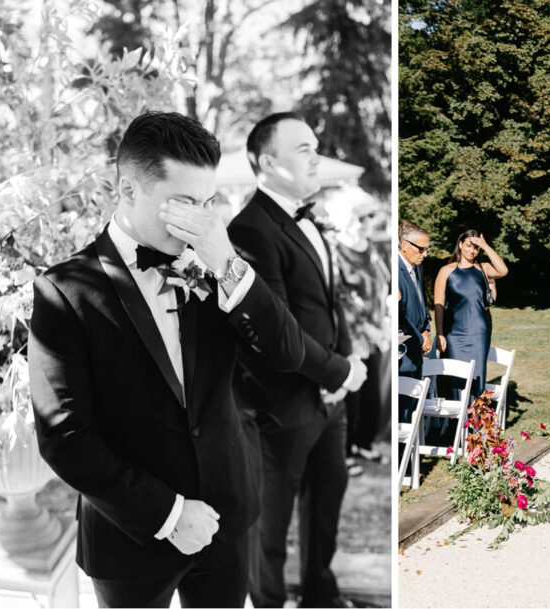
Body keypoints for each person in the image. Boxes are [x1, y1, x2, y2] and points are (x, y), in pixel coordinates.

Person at [28, 111, 306, 607]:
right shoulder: (65, 290)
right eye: (182, 203)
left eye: (208, 203)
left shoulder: (217, 264)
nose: (197, 219)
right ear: (128, 190)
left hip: (227, 518)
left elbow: (287, 354)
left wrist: (226, 265)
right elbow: (65, 437)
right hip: (130, 533)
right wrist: (170, 514)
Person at [228, 112, 367, 608]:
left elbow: (328, 304)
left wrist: (346, 366)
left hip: (329, 399)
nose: (316, 156)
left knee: (324, 506)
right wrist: (339, 371)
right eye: (303, 149)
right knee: (269, 525)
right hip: (278, 406)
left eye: (315, 146)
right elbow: (275, 327)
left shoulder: (307, 219)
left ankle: (320, 597)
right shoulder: (248, 230)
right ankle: (265, 602)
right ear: (268, 162)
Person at [433, 229, 508, 397]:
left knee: (477, 376)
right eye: (468, 246)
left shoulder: (483, 268)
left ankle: (474, 422)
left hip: (479, 333)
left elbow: (503, 271)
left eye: (476, 248)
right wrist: (440, 333)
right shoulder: (446, 271)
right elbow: (438, 305)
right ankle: (453, 421)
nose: (472, 251)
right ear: (460, 245)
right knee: (453, 377)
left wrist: (486, 246)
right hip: (453, 334)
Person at [397, 220, 431, 421]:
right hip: (404, 349)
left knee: (410, 407)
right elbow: (401, 314)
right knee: (401, 409)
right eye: (421, 249)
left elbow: (420, 301)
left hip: (417, 346)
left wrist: (426, 328)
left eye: (427, 249)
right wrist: (418, 337)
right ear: (404, 245)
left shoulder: (416, 267)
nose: (425, 254)